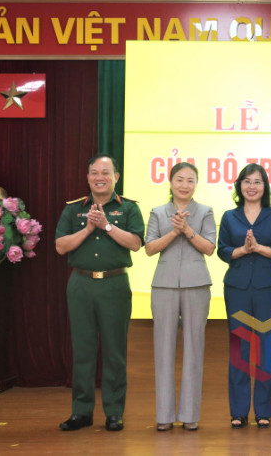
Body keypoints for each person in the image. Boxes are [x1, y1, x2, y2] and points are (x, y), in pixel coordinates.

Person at [55, 153, 145, 432]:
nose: (100, 177)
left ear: (116, 177)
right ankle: (81, 412)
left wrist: (106, 225)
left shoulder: (128, 208)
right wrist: (88, 228)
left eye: (106, 172)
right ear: (88, 177)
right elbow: (60, 246)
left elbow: (135, 243)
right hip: (80, 284)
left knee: (115, 352)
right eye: (94, 172)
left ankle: (114, 412)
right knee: (83, 350)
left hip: (114, 285)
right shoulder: (73, 210)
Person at [144, 162, 216, 432]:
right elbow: (150, 248)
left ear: (196, 184)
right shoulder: (158, 212)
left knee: (194, 348)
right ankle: (164, 415)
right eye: (180, 179)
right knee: (163, 349)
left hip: (197, 284)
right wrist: (174, 231)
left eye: (191, 180)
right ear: (170, 181)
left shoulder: (206, 211)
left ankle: (189, 415)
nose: (185, 185)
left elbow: (209, 248)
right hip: (163, 285)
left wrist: (187, 230)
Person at [217, 163, 271, 430]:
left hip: (268, 287)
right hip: (236, 287)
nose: (251, 186)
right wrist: (243, 250)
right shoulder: (229, 216)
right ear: (239, 186)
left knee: (266, 348)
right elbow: (222, 251)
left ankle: (264, 411)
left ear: (265, 187)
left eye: (257, 182)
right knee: (239, 349)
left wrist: (258, 247)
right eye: (247, 181)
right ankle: (238, 411)